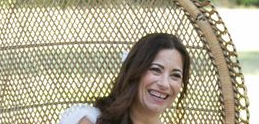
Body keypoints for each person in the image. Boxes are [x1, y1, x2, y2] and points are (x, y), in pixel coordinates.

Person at [59, 33, 191, 124]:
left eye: (175, 75)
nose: (165, 84)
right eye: (156, 70)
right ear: (135, 71)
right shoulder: (90, 120)